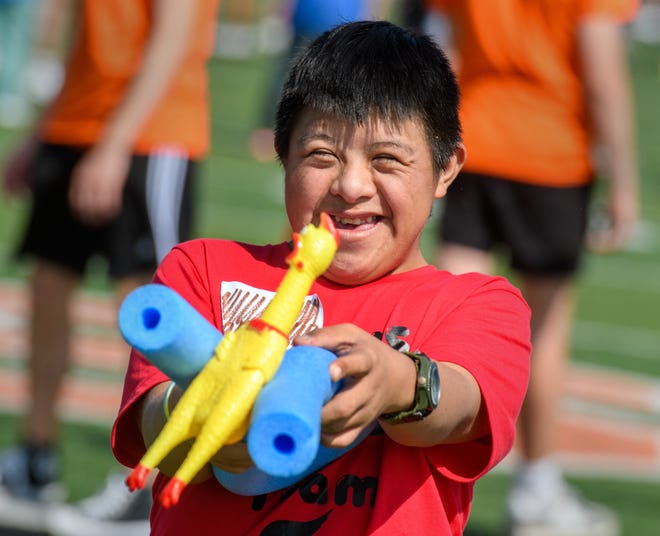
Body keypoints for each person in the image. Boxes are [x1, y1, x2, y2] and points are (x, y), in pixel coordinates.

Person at [111, 20, 532, 535]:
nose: (351, 185)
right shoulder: (200, 268)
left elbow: (461, 406)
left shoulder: (478, 303)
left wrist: (397, 382)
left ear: (446, 169)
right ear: (282, 154)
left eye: (387, 159)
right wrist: (202, 407)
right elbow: (155, 426)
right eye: (322, 155)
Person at [0, 0, 221, 533]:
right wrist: (44, 128)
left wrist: (115, 142)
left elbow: (172, 34)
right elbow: (87, 36)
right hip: (76, 125)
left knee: (157, 312)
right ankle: (35, 457)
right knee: (48, 287)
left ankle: (154, 482)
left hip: (152, 131)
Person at [426, 1, 641, 535]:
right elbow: (603, 73)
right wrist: (625, 179)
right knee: (543, 328)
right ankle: (537, 489)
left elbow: (444, 50)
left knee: (451, 317)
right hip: (553, 154)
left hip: (470, 143)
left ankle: (424, 480)